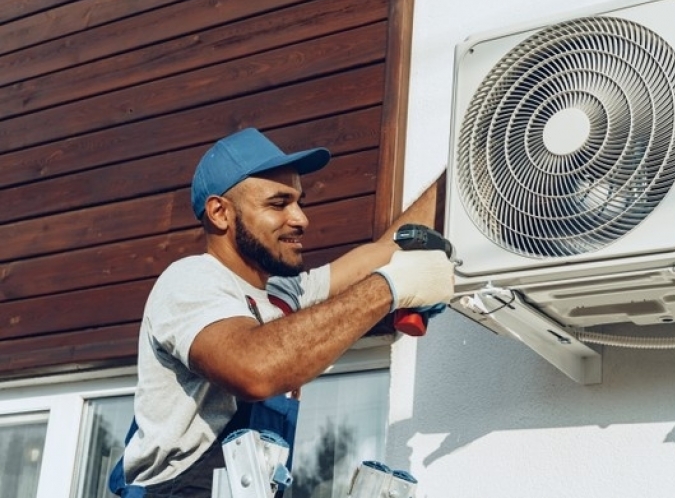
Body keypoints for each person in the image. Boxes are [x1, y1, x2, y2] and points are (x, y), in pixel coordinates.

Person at [112, 127, 454, 497]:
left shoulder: (283, 294)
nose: (301, 218)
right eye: (278, 204)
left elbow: (389, 247)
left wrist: (471, 164)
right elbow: (253, 369)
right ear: (220, 213)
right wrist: (388, 288)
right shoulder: (191, 280)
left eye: (299, 202)